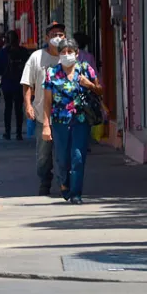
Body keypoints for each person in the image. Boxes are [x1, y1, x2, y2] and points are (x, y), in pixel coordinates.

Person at [43, 38, 102, 204]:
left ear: (77, 54)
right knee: (62, 158)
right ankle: (64, 183)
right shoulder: (52, 73)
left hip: (81, 120)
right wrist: (46, 125)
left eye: (70, 52)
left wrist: (88, 84)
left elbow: (99, 90)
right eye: (63, 52)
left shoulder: (85, 69)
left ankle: (76, 193)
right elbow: (47, 102)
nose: (67, 55)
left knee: (78, 157)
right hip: (59, 121)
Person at [21, 21, 66, 196]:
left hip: (65, 115)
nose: (57, 38)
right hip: (42, 116)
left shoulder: (68, 55)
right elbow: (27, 83)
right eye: (54, 34)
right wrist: (28, 105)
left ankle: (64, 183)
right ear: (46, 38)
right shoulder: (36, 57)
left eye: (60, 34)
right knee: (43, 156)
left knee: (64, 153)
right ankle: (45, 182)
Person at [0, 30, 29, 140]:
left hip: (7, 84)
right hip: (20, 83)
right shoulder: (24, 52)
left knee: (8, 108)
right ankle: (19, 133)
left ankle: (7, 132)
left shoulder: (2, 53)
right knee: (18, 109)